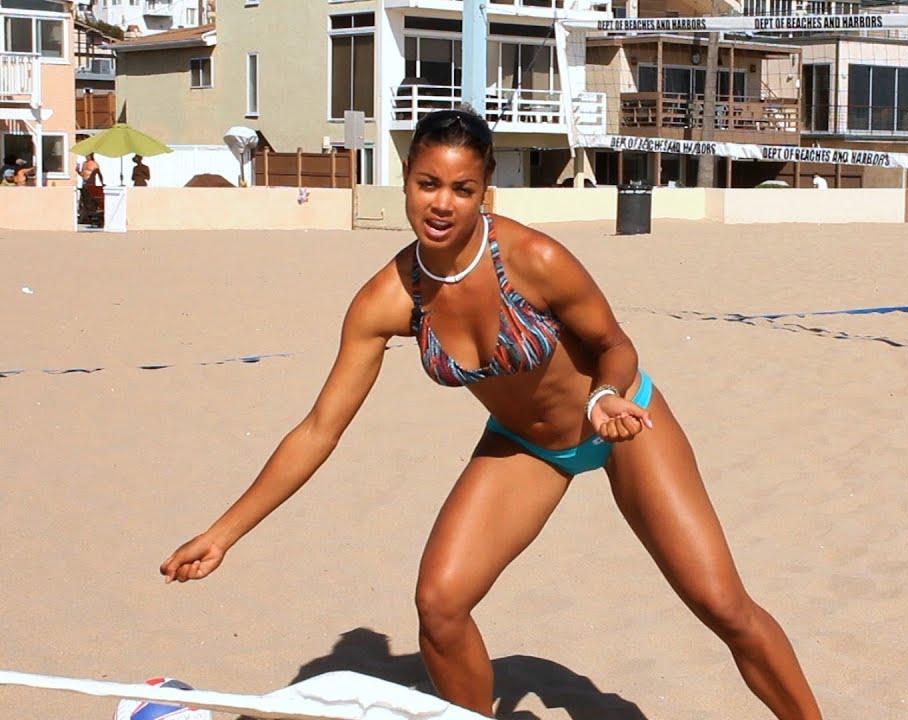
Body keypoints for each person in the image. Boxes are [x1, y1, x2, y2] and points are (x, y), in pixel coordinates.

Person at [159, 108, 823, 720]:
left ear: (485, 193)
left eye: (462, 189)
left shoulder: (535, 260)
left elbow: (614, 344)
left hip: (621, 421)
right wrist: (224, 533)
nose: (442, 204)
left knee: (721, 605)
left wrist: (603, 396)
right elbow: (318, 430)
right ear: (406, 180)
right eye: (428, 184)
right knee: (440, 605)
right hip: (525, 447)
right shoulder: (386, 300)